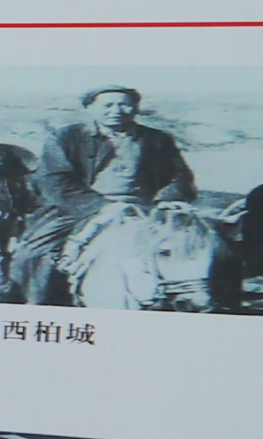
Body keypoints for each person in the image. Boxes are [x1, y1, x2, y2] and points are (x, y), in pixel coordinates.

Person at [21, 85, 202, 299]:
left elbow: (180, 176)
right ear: (89, 108)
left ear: (136, 108)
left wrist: (167, 199)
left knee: (208, 243)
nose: (116, 110)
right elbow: (54, 180)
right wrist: (102, 206)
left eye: (125, 105)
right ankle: (39, 305)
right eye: (108, 105)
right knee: (32, 256)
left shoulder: (157, 139)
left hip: (145, 208)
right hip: (78, 209)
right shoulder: (66, 137)